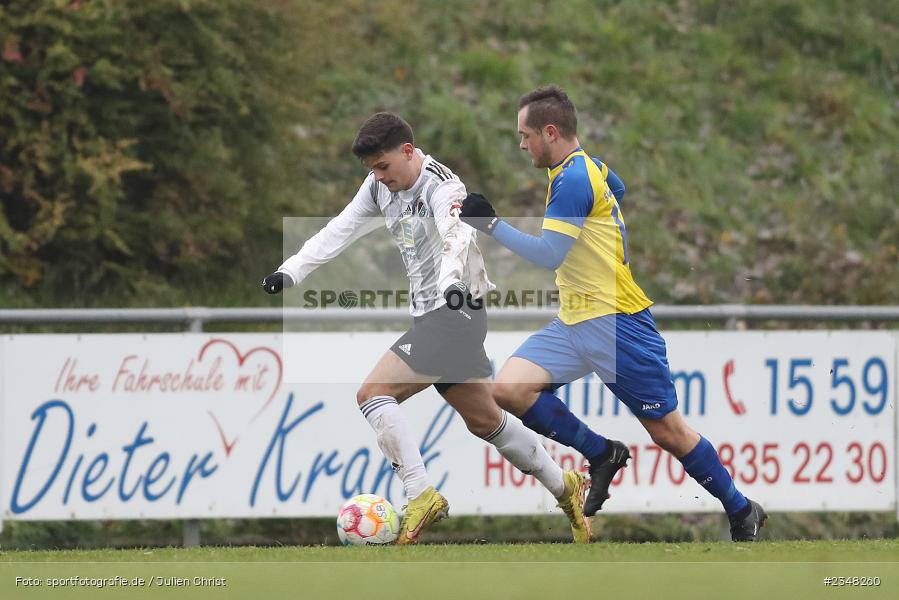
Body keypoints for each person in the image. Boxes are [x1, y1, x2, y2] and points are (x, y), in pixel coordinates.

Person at [262, 112, 591, 544]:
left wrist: (453, 283)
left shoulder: (443, 186)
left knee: (373, 394)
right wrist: (292, 271)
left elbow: (455, 236)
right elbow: (341, 227)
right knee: (487, 421)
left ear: (408, 151)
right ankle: (563, 485)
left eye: (383, 167)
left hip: (455, 312)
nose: (379, 178)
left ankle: (420, 494)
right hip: (439, 316)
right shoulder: (379, 185)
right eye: (371, 171)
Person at [459, 86, 767, 541]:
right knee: (510, 388)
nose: (521, 145)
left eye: (525, 136)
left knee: (668, 432)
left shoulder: (575, 180)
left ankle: (742, 510)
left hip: (619, 324)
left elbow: (549, 255)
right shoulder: (582, 169)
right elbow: (616, 187)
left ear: (551, 131)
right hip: (577, 320)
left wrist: (493, 226)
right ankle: (602, 453)